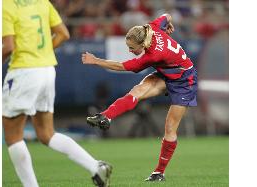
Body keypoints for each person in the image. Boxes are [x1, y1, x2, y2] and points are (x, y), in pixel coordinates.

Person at [2, 0, 112, 187]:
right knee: (46, 133)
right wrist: (42, 53)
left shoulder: (6, 5)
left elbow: (8, 46)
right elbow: (63, 33)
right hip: (46, 70)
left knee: (13, 135)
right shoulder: (42, 2)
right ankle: (95, 166)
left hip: (23, 72)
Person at [82, 13, 197, 182]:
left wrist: (96, 60)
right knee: (137, 91)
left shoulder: (154, 55)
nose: (130, 50)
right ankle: (105, 116)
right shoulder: (151, 27)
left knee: (170, 128)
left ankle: (159, 172)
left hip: (185, 81)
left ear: (143, 43)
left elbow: (122, 66)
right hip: (166, 73)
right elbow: (167, 15)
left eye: (132, 48)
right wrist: (169, 23)